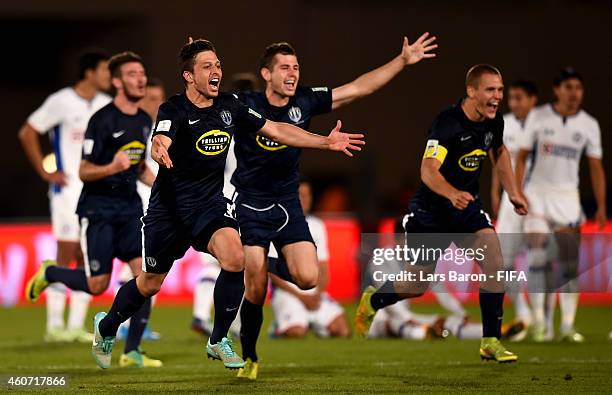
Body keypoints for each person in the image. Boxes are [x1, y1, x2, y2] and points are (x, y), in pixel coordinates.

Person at [86, 38, 364, 371]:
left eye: (217, 64)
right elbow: (161, 136)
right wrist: (159, 148)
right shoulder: (174, 108)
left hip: (209, 206)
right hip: (169, 211)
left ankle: (218, 339)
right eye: (207, 66)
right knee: (149, 283)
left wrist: (325, 142)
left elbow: (275, 128)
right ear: (189, 76)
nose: (216, 70)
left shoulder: (230, 105)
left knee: (235, 257)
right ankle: (106, 326)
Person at [235, 34, 437, 380]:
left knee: (308, 277)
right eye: (284, 67)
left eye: (296, 67)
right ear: (266, 74)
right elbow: (210, 106)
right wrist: (196, 65)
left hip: (286, 203)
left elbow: (358, 88)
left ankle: (257, 261)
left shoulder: (305, 100)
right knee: (253, 287)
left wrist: (401, 61)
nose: (292, 73)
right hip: (251, 202)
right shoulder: (247, 102)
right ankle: (250, 356)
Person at [355, 64, 528, 363]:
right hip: (430, 213)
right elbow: (428, 170)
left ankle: (490, 341)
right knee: (417, 284)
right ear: (471, 91)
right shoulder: (447, 124)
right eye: (490, 90)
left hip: (466, 210)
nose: (497, 96)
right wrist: (450, 194)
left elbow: (499, 152)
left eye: (500, 90)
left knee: (494, 259)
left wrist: (512, 191)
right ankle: (374, 299)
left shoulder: (493, 122)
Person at [25, 51, 160, 368]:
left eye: (142, 73)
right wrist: (112, 166)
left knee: (146, 278)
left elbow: (139, 165)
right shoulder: (102, 120)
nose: (140, 79)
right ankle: (51, 273)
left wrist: (160, 184)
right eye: (132, 74)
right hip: (98, 209)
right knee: (98, 283)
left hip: (129, 209)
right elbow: (85, 171)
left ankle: (131, 351)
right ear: (116, 82)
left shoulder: (142, 121)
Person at [19, 50, 111, 343]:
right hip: (67, 190)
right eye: (106, 70)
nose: (110, 76)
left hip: (95, 192)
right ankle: (54, 326)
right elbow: (28, 132)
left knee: (89, 256)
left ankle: (74, 326)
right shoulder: (62, 101)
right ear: (89, 73)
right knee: (66, 252)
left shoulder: (106, 105)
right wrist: (45, 172)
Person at [515, 67, 606, 343]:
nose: (574, 93)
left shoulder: (589, 125)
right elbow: (520, 158)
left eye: (578, 88)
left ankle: (567, 326)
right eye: (568, 88)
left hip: (568, 199)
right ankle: (541, 323)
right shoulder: (539, 117)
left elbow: (596, 167)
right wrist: (519, 193)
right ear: (557, 90)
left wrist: (601, 206)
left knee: (568, 265)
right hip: (537, 196)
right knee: (539, 258)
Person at [116, 78, 167, 341]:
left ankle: (133, 325)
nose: (155, 103)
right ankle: (126, 324)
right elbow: (137, 168)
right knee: (142, 267)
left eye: (159, 98)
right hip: (139, 205)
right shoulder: (136, 128)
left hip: (160, 206)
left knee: (147, 267)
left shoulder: (167, 128)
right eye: (150, 98)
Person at [268, 182, 351, 340]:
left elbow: (324, 268)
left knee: (343, 331)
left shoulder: (317, 225)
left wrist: (317, 294)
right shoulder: (276, 223)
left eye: (308, 195)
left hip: (313, 293)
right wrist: (302, 297)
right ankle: (280, 327)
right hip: (289, 293)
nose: (305, 199)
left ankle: (314, 323)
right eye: (300, 195)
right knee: (297, 333)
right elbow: (271, 269)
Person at [490, 80, 538, 341]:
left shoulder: (545, 124)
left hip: (540, 203)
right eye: (512, 98)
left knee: (542, 260)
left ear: (533, 99)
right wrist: (496, 191)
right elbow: (498, 157)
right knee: (503, 261)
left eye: (520, 98)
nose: (514, 103)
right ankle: (523, 314)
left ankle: (546, 321)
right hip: (513, 202)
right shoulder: (503, 122)